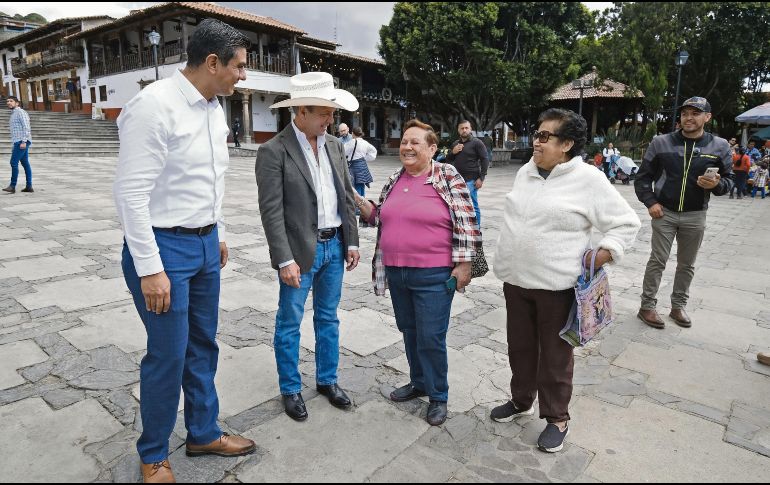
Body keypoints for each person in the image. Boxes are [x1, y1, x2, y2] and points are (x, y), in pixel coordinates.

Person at [113, 19, 256, 484]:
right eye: (239, 66)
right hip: (164, 249)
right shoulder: (153, 106)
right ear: (212, 62)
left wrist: (217, 232)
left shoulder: (214, 108)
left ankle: (203, 432)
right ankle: (154, 453)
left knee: (203, 345)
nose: (243, 75)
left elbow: (209, 178)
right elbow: (131, 194)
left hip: (204, 245)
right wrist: (150, 268)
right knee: (168, 355)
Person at [490, 108, 640, 453]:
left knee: (555, 358)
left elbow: (626, 223)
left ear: (567, 144)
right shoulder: (526, 172)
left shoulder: (588, 179)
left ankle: (557, 418)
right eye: (536, 134)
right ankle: (521, 400)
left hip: (557, 288)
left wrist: (602, 254)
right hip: (516, 281)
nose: (536, 142)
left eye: (545, 136)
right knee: (520, 349)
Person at [355, 119, 481, 427]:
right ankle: (419, 382)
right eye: (404, 142)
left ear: (433, 148)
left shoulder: (446, 175)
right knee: (409, 330)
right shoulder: (395, 177)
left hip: (433, 274)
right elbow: (380, 217)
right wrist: (358, 201)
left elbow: (467, 221)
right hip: (397, 272)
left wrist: (464, 265)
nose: (407, 147)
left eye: (415, 142)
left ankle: (438, 395)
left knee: (430, 336)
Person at [255, 71, 360, 422]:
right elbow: (271, 212)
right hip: (299, 252)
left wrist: (352, 240)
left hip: (335, 246)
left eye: (332, 113)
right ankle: (290, 388)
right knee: (289, 322)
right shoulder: (273, 150)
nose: (330, 120)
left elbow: (346, 195)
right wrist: (284, 259)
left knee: (328, 318)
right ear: (301, 111)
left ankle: (327, 380)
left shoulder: (334, 145)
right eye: (324, 113)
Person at [635, 97, 733, 329]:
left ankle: (678, 306)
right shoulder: (661, 142)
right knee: (657, 261)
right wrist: (651, 202)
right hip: (664, 213)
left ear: (707, 117)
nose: (689, 118)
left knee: (687, 264)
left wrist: (716, 185)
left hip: (695, 215)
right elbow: (643, 178)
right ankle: (647, 307)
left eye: (695, 113)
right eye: (685, 113)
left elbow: (729, 181)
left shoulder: (719, 146)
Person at [446, 120, 488, 228]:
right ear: (458, 130)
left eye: (466, 128)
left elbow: (485, 159)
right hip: (457, 180)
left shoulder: (477, 143)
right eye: (462, 128)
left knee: (472, 205)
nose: (464, 130)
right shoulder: (456, 144)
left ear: (470, 129)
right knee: (458, 205)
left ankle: (476, 229)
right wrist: (453, 152)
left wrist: (481, 178)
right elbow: (448, 159)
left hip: (471, 180)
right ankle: (463, 227)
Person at [344, 126, 376, 224]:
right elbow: (373, 153)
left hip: (353, 166)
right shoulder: (365, 143)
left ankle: (357, 208)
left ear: (353, 133)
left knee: (353, 187)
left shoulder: (351, 142)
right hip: (362, 165)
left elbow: (343, 152)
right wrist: (364, 158)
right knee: (361, 186)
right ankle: (363, 207)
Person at [3, 96, 33, 194]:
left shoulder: (20, 112)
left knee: (13, 162)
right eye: (7, 101)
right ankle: (29, 186)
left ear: (17, 103)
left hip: (21, 141)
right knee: (25, 163)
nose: (8, 103)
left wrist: (24, 141)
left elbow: (26, 127)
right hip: (17, 141)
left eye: (11, 101)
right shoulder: (13, 114)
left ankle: (12, 186)